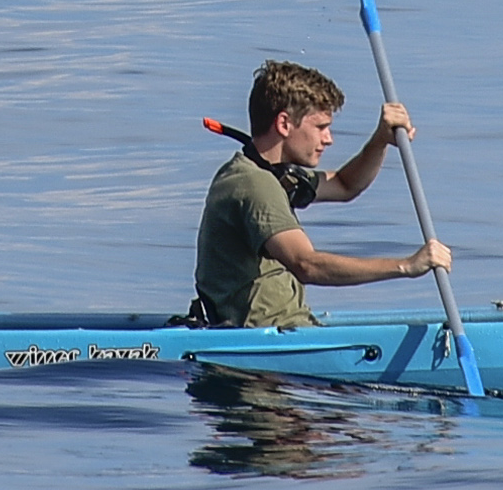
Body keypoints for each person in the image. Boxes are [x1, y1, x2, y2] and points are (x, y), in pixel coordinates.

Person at [192, 58, 450, 328]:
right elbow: (307, 265)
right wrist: (406, 266)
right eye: (320, 127)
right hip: (262, 343)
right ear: (284, 124)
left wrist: (380, 141)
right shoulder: (254, 184)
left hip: (285, 328)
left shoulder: (271, 173)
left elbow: (345, 185)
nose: (329, 139)